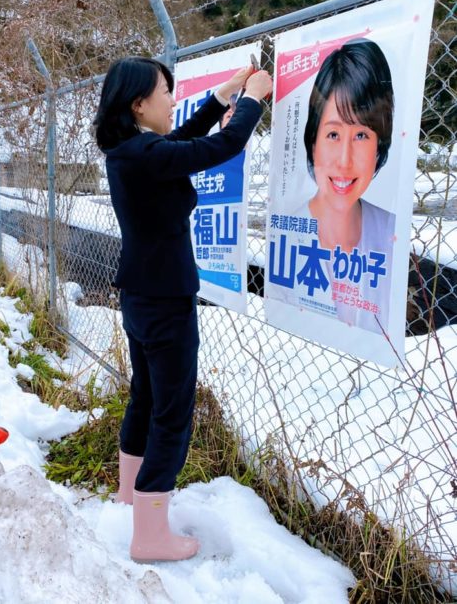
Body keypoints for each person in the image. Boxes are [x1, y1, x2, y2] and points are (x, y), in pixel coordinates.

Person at [94, 56, 272, 562]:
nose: (174, 100)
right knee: (172, 413)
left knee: (146, 398)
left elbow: (181, 144)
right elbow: (220, 145)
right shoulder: (145, 154)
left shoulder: (131, 150)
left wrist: (224, 95)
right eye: (165, 92)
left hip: (141, 296)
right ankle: (149, 535)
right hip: (166, 302)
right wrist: (254, 99)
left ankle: (130, 496)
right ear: (138, 105)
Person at [300, 38, 395, 332]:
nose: (344, 160)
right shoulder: (289, 228)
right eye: (332, 135)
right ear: (312, 140)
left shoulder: (391, 232)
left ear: (380, 143)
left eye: (362, 135)